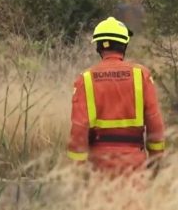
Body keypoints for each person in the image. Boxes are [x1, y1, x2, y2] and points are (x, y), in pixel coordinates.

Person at [67, 17, 165, 173]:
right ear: (124, 45)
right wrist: (156, 159)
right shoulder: (142, 75)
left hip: (98, 165)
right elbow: (155, 122)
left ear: (99, 47)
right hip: (135, 163)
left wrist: (77, 170)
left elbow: (79, 129)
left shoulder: (85, 79)